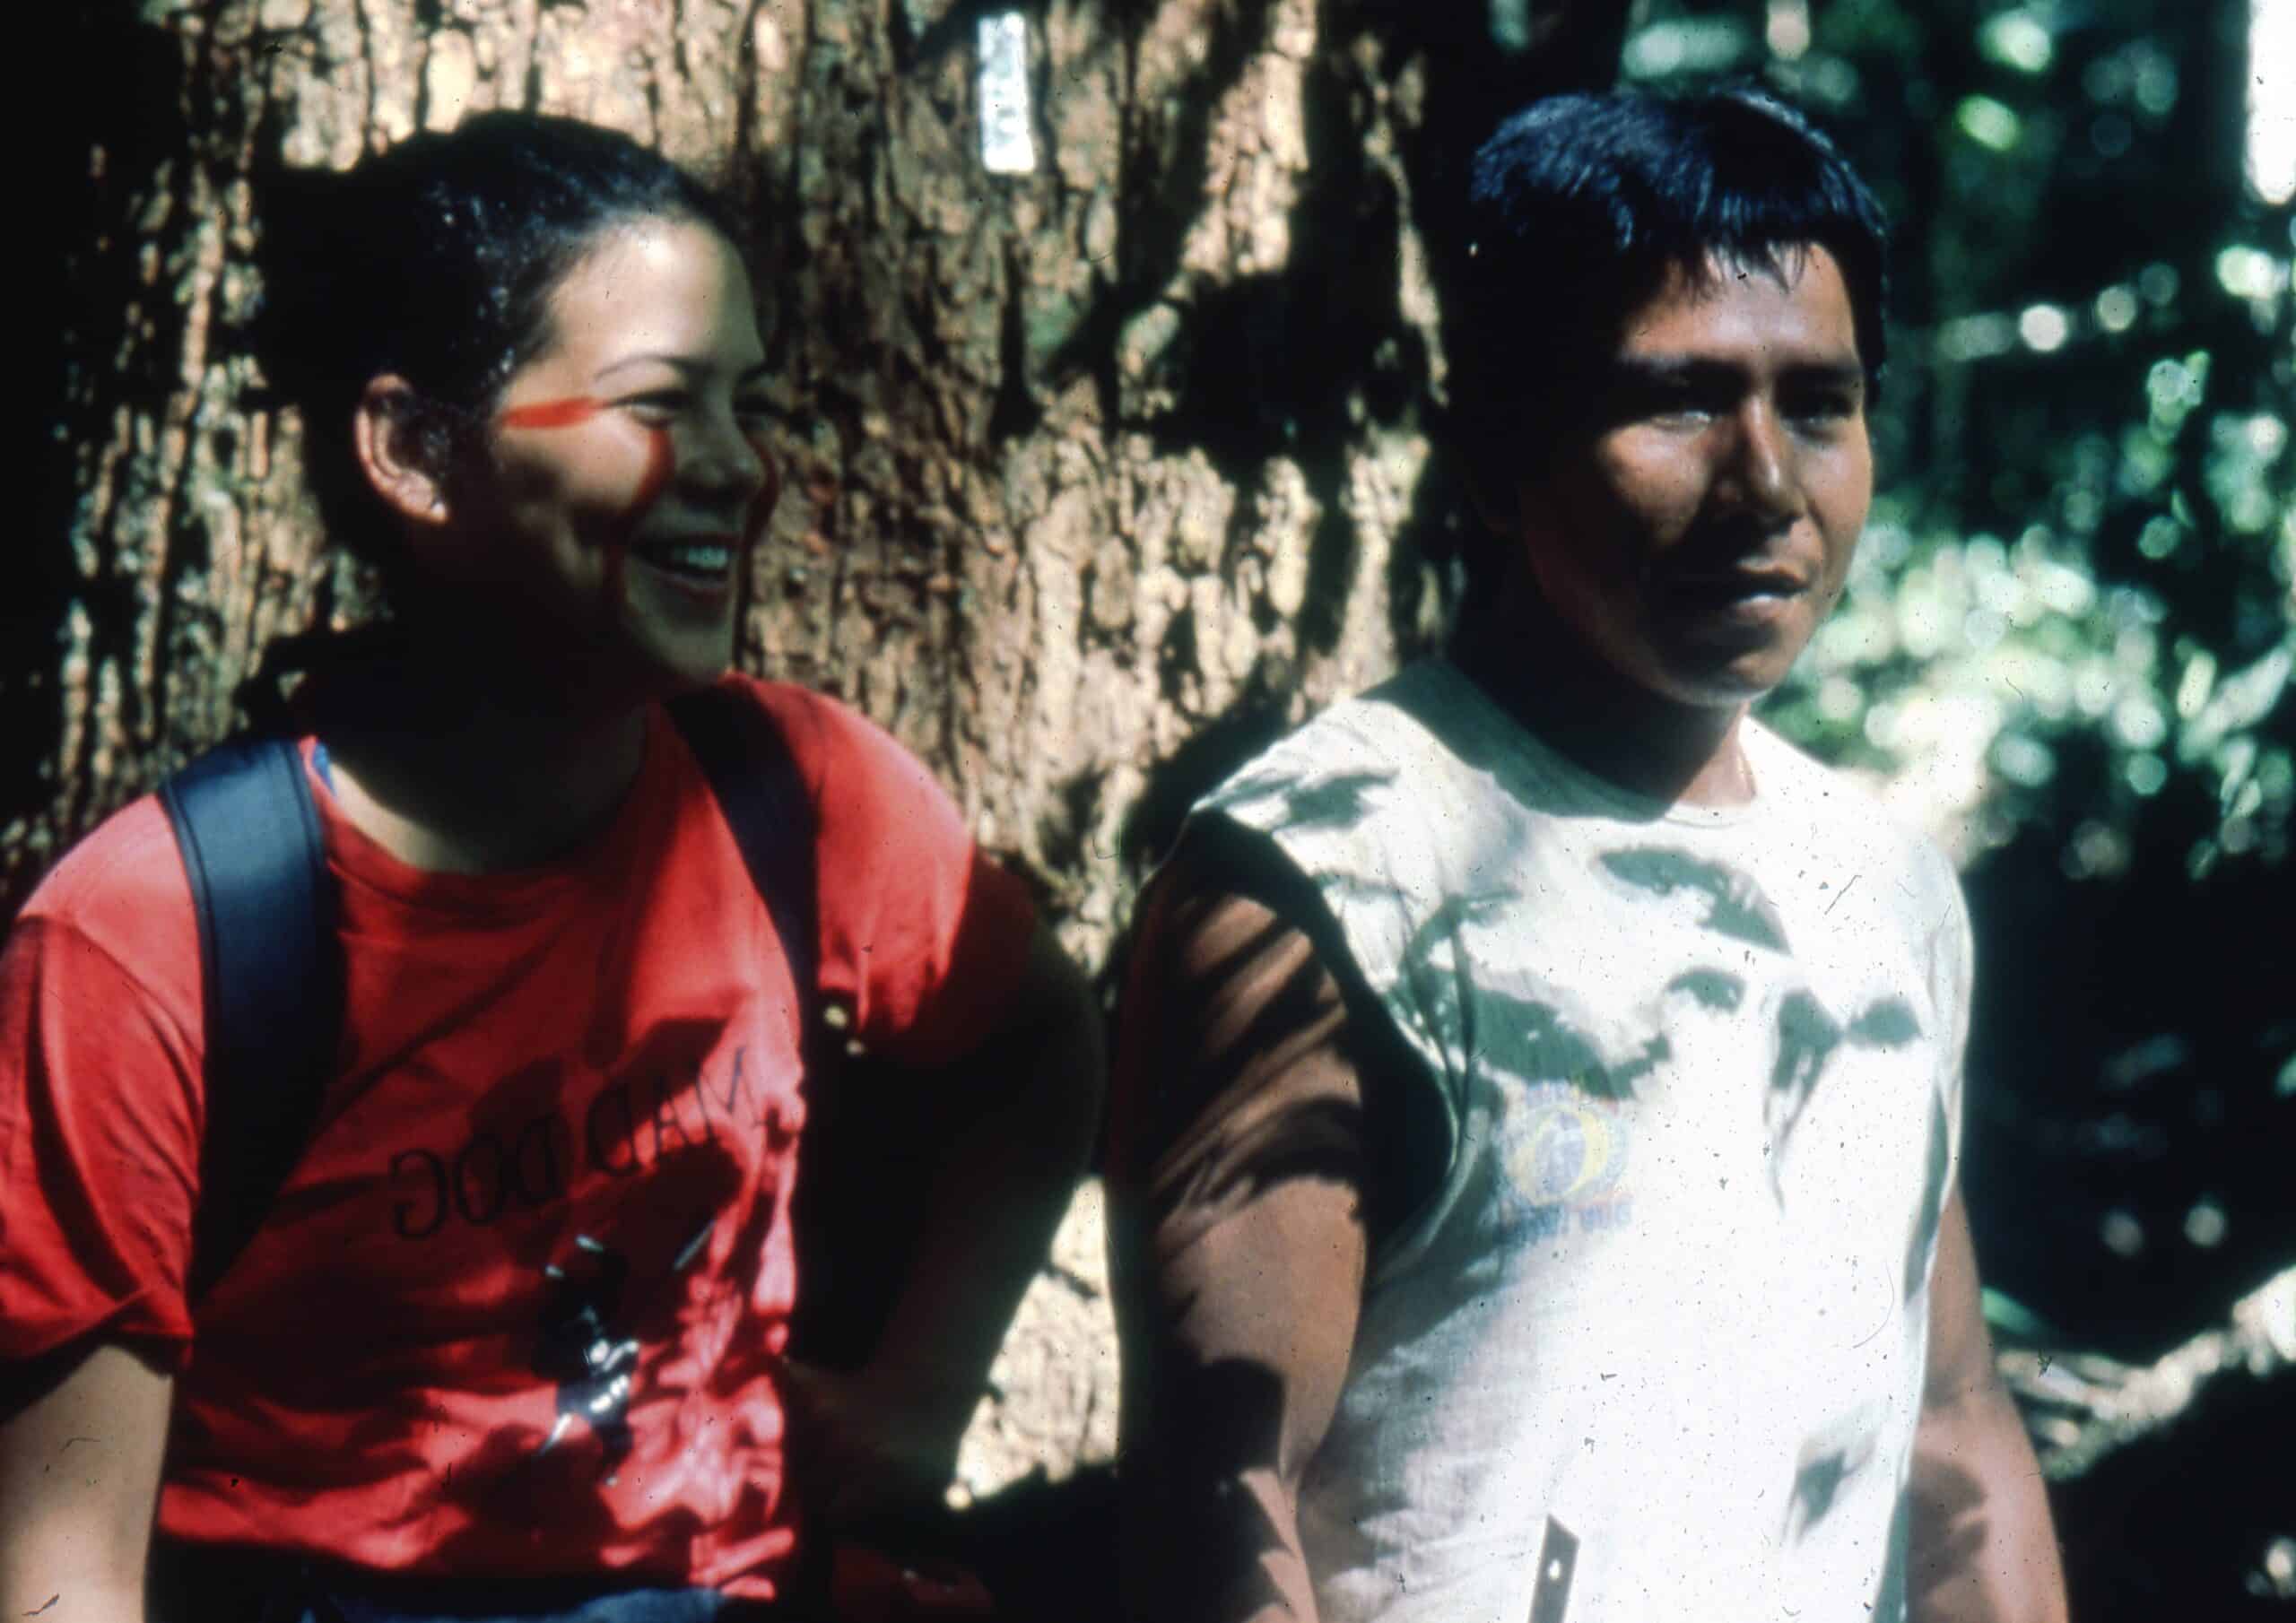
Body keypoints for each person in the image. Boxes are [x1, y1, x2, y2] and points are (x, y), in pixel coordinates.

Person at [0, 112, 1102, 1621]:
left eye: (745, 405)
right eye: (659, 404)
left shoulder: (807, 797)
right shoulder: (149, 939)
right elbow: (64, 1573)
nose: (735, 468)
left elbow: (1042, 1048)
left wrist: (920, 1391)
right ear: (412, 452)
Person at [1107, 88, 2070, 1623]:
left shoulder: (1882, 889)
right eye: (1679, 401)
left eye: (1818, 402)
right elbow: (1218, 1511)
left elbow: (1952, 1435)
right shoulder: (1329, 885)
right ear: (1496, 452)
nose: (1765, 482)